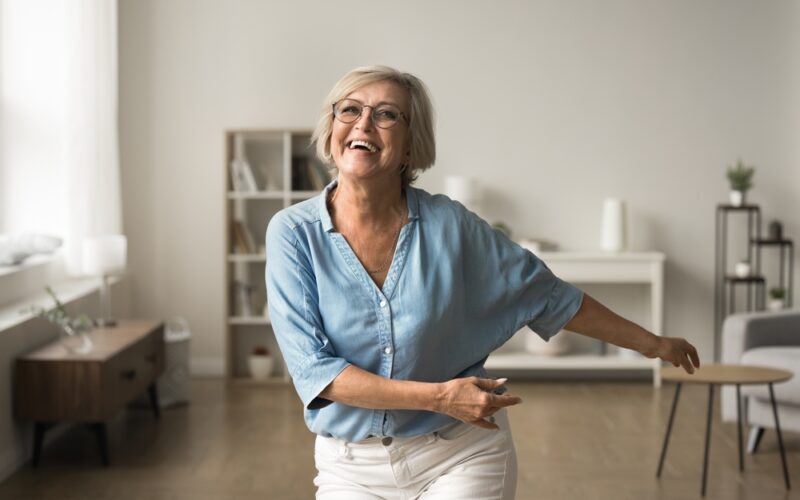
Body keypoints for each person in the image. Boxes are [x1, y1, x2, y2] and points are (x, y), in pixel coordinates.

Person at [265, 65, 700, 500]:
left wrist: (652, 344)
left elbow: (547, 294)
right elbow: (317, 374)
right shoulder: (292, 234)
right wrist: (439, 397)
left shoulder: (451, 225)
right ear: (331, 128)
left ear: (410, 146)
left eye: (386, 114)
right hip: (350, 468)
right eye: (350, 110)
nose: (363, 124)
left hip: (459, 453)